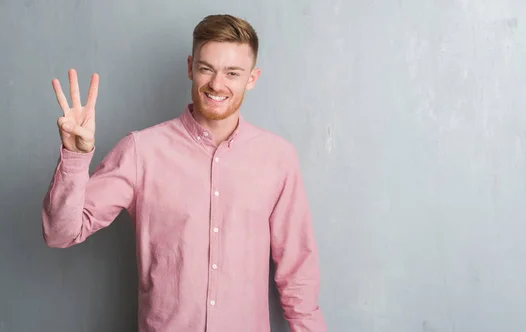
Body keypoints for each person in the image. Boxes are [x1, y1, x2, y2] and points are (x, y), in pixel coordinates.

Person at [42, 14, 326, 332]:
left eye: (233, 73)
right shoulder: (141, 151)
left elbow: (297, 270)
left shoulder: (278, 158)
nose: (217, 84)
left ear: (252, 78)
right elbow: (60, 233)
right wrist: (76, 156)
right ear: (190, 67)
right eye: (207, 69)